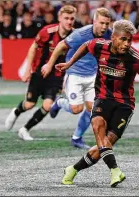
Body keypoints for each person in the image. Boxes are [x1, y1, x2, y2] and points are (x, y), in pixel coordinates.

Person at [55, 19, 139, 187]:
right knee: (97, 126)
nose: (127, 44)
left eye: (130, 40)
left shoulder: (136, 58)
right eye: (123, 39)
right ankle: (115, 171)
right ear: (114, 37)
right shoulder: (99, 46)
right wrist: (69, 63)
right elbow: (85, 45)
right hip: (102, 98)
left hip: (124, 105)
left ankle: (72, 169)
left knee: (104, 145)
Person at [41, 8, 112, 149]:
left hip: (92, 75)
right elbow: (61, 45)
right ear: (94, 21)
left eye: (107, 24)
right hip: (74, 74)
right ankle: (60, 103)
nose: (104, 27)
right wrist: (49, 64)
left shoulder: (109, 35)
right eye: (102, 23)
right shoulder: (81, 34)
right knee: (76, 109)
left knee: (93, 109)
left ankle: (77, 137)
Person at [4, 5, 77, 140]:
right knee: (29, 104)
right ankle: (16, 111)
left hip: (56, 76)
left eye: (72, 18)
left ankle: (25, 129)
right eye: (66, 18)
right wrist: (27, 70)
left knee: (47, 106)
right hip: (39, 73)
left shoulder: (75, 36)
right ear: (60, 18)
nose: (69, 21)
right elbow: (33, 47)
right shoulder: (47, 31)